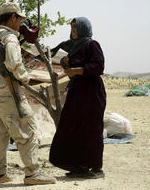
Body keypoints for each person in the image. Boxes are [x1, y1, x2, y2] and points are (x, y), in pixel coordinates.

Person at [0, 2, 56, 185]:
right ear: (13, 18)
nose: (21, 23)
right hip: (8, 92)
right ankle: (32, 174)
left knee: (0, 133)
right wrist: (24, 78)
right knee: (27, 128)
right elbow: (14, 64)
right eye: (20, 19)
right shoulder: (9, 38)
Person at [49, 17, 106, 179]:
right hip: (77, 93)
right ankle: (78, 166)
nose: (73, 30)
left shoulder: (91, 44)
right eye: (72, 27)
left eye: (76, 27)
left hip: (92, 93)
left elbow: (99, 66)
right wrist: (66, 63)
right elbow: (69, 69)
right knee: (73, 128)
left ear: (83, 28)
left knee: (91, 129)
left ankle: (96, 168)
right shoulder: (73, 47)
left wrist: (77, 71)